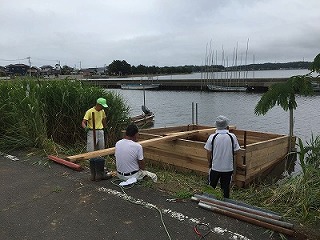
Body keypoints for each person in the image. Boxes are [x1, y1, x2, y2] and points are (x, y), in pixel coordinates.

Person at [204, 115, 240, 198]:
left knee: (211, 186)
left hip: (215, 167)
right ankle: (225, 202)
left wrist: (209, 163)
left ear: (216, 126)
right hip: (228, 168)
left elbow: (208, 152)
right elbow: (236, 151)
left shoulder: (212, 137)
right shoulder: (232, 137)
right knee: (225, 188)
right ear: (227, 126)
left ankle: (208, 201)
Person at [81, 97, 110, 181]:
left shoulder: (102, 111)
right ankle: (93, 173)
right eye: (102, 106)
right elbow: (83, 122)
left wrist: (105, 127)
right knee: (91, 151)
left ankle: (100, 172)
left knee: (101, 150)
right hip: (91, 131)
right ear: (98, 104)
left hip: (100, 131)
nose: (102, 108)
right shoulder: (90, 111)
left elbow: (104, 119)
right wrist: (85, 128)